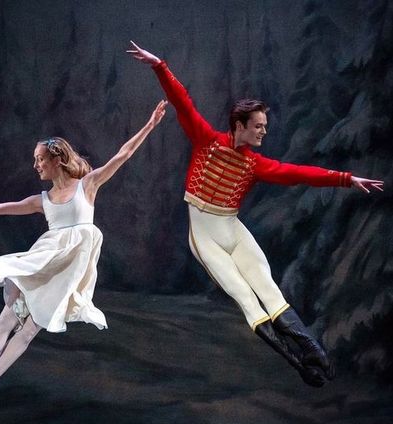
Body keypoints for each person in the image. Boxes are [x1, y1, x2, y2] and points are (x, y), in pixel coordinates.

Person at [127, 41, 384, 387]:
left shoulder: (254, 164)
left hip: (233, 230)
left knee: (269, 289)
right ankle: (298, 363)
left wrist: (346, 179)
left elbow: (298, 173)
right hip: (205, 236)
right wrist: (159, 65)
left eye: (264, 125)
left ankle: (311, 347)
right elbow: (182, 101)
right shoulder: (207, 141)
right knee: (246, 298)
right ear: (240, 124)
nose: (264, 131)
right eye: (259, 125)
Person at [0, 100, 167, 414]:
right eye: (35, 160)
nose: (36, 165)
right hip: (46, 262)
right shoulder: (42, 200)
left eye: (40, 159)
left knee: (29, 329)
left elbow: (122, 155)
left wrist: (149, 125)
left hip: (68, 269)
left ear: (57, 159)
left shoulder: (88, 185)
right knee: (9, 320)